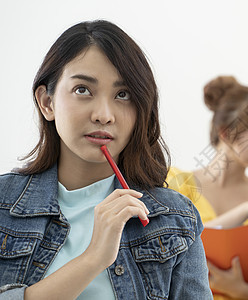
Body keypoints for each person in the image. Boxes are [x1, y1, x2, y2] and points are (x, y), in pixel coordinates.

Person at [0, 20, 212, 299]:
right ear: (47, 102)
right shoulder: (4, 204)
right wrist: (94, 258)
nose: (104, 114)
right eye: (83, 90)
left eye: (122, 95)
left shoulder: (174, 218)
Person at [167, 76, 248, 299]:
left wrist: (238, 289)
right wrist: (246, 210)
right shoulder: (179, 184)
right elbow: (174, 247)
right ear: (226, 132)